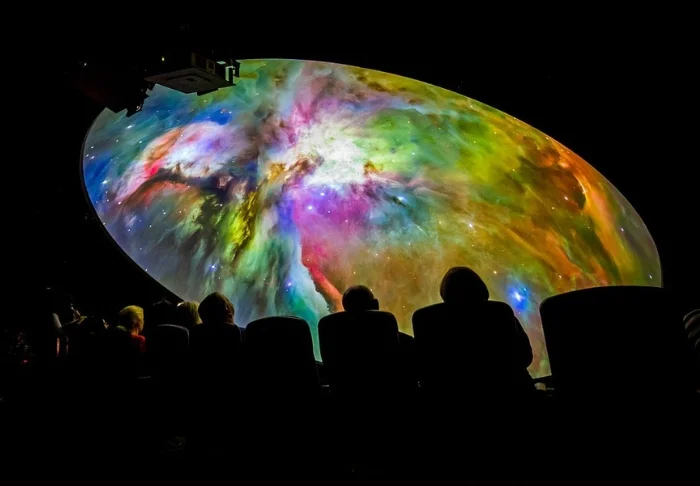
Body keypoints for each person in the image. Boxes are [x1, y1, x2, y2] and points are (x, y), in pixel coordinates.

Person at [413, 266, 534, 395]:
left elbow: (422, 369)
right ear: (480, 288)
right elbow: (525, 356)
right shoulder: (500, 313)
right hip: (509, 392)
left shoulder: (428, 321)